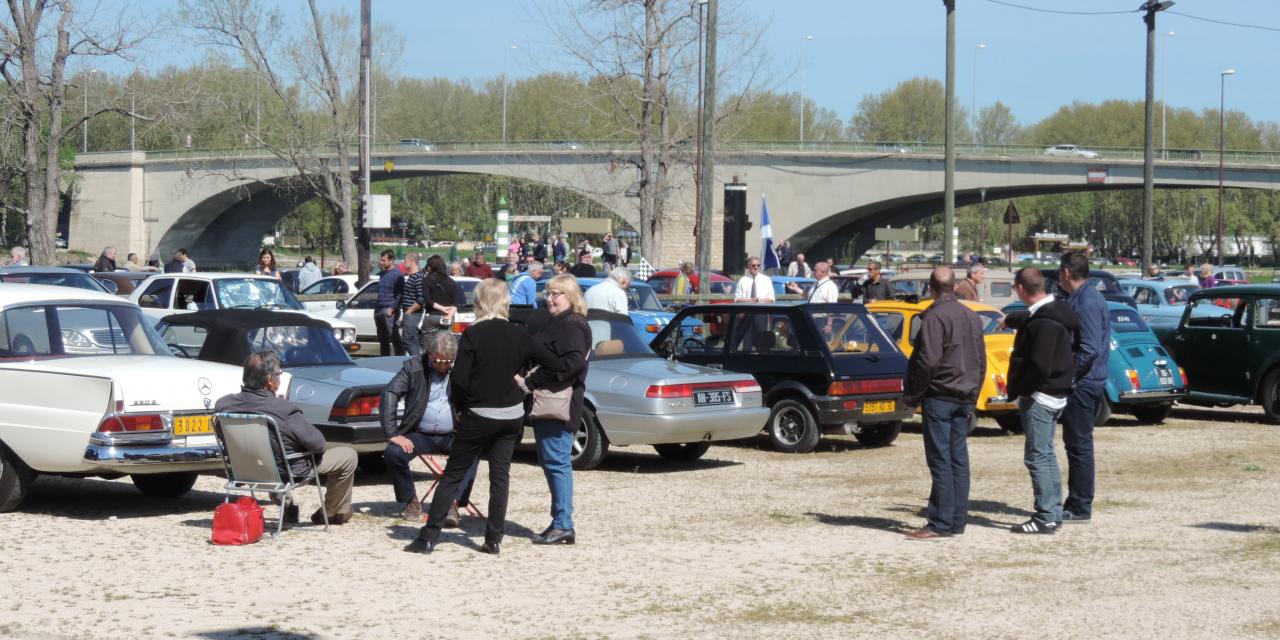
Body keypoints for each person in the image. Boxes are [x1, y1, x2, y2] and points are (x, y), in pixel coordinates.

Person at [404, 279, 563, 556]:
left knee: (453, 475)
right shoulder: (519, 333)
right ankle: (493, 540)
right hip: (511, 416)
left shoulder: (473, 335)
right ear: (505, 302)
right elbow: (556, 364)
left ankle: (428, 538)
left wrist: (462, 407)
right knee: (500, 478)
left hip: (479, 413)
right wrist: (527, 384)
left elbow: (460, 380)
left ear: (479, 303)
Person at [214, 351, 357, 525]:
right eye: (279, 374)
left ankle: (287, 504)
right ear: (269, 380)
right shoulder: (283, 409)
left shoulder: (224, 405)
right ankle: (332, 512)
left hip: (244, 470)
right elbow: (318, 444)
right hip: (286, 473)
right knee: (348, 456)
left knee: (273, 455)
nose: (280, 379)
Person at [903, 267, 986, 541]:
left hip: (940, 395)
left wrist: (913, 393)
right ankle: (956, 520)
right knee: (958, 459)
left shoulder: (934, 317)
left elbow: (927, 361)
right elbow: (981, 361)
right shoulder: (972, 317)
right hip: (964, 395)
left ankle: (940, 522)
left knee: (941, 460)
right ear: (955, 287)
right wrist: (973, 395)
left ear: (931, 288)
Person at [1004, 268, 1079, 535]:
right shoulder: (1054, 310)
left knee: (1036, 456)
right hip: (1055, 393)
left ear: (1021, 290)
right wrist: (1011, 319)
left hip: (1041, 395)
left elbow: (1039, 365)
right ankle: (1054, 511)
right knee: (1046, 453)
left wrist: (1021, 391)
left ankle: (1045, 515)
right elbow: (1031, 317)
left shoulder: (1044, 323)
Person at [520, 274, 591, 546]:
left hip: (559, 402)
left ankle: (563, 524)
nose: (549, 298)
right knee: (552, 463)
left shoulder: (572, 324)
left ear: (571, 297)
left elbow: (570, 364)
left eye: (556, 294)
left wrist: (531, 381)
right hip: (552, 400)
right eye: (548, 293)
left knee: (558, 463)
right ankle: (559, 521)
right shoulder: (561, 321)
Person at [380, 332, 479, 524]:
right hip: (419, 433)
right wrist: (392, 433)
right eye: (438, 362)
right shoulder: (413, 367)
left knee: (472, 453)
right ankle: (411, 501)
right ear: (429, 354)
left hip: (453, 434)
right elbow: (390, 393)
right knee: (393, 453)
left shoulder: (464, 367)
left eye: (448, 362)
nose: (443, 366)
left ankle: (454, 504)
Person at [1055, 252, 1109, 526]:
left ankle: (1079, 506)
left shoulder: (1087, 301)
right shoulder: (1083, 297)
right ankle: (1076, 502)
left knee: (1079, 445)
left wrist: (1069, 375)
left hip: (1084, 384)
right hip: (1085, 381)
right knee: (1075, 443)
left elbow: (1089, 348)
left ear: (1066, 272)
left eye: (1058, 274)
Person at [419, 254, 462, 342]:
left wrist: (442, 308)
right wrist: (449, 315)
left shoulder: (426, 280)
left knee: (428, 345)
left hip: (432, 316)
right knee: (444, 344)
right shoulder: (451, 281)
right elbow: (456, 302)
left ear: (430, 267)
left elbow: (427, 300)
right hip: (447, 317)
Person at [374, 250, 404, 357]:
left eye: (384, 260)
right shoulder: (382, 273)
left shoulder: (397, 275)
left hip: (389, 311)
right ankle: (384, 359)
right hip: (379, 309)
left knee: (394, 336)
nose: (381, 262)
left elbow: (399, 295)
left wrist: (391, 309)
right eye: (381, 260)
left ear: (391, 261)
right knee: (382, 339)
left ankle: (400, 359)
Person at [398, 253, 425, 356]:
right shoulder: (413, 276)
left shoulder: (418, 277)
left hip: (413, 314)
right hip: (409, 313)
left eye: (405, 260)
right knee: (411, 340)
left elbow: (421, 298)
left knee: (408, 340)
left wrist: (409, 311)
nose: (404, 263)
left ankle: (417, 361)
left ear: (412, 261)